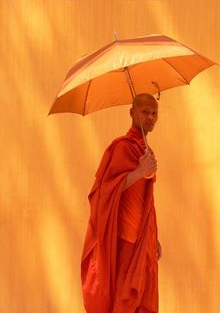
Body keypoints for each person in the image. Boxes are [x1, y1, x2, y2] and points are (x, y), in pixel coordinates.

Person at [81, 93, 161, 313]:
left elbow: (148, 200)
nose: (150, 117)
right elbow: (106, 189)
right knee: (126, 296)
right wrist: (139, 172)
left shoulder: (146, 151)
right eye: (145, 112)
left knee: (143, 295)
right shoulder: (123, 147)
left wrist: (154, 237)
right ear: (132, 113)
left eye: (154, 113)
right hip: (126, 235)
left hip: (143, 235)